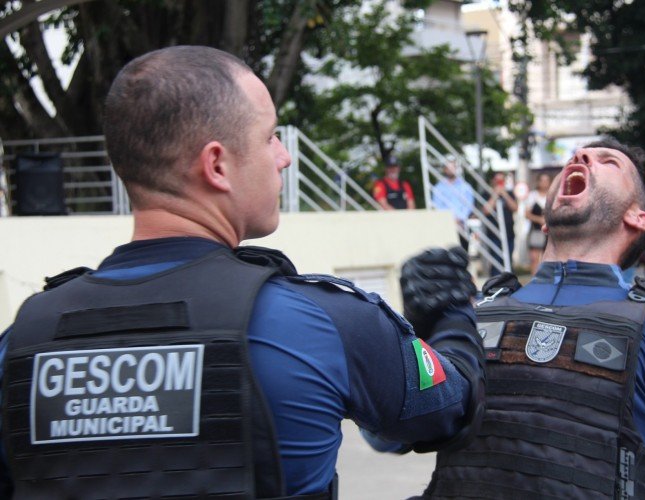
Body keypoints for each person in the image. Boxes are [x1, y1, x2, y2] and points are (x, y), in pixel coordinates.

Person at [0, 46, 486, 499]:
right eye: (270, 135)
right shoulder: (322, 323)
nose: (284, 156)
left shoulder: (19, 343)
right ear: (217, 165)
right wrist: (449, 316)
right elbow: (449, 411)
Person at [418, 138, 645, 499]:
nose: (581, 157)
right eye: (576, 156)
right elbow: (391, 433)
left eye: (609, 162)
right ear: (548, 219)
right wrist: (414, 337)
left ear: (638, 217)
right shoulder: (476, 313)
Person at [431, 158, 474, 252]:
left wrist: (459, 218)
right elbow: (436, 206)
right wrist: (450, 219)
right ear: (444, 169)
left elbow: (469, 206)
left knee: (463, 255)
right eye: (448, 167)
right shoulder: (438, 188)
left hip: (462, 226)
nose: (451, 169)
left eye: (453, 167)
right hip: (445, 226)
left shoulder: (465, 186)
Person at [481, 171, 518, 276]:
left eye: (502, 180)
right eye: (498, 180)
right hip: (493, 234)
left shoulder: (509, 193)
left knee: (508, 261)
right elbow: (486, 210)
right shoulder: (486, 194)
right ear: (492, 181)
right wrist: (495, 194)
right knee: (495, 262)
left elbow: (515, 208)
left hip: (509, 234)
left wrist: (504, 194)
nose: (500, 183)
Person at [524, 172, 551, 275]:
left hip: (550, 232)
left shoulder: (552, 195)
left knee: (547, 258)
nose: (544, 183)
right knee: (534, 258)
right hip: (536, 230)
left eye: (546, 180)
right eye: (542, 180)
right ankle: (534, 280)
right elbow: (527, 214)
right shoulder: (532, 196)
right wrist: (539, 219)